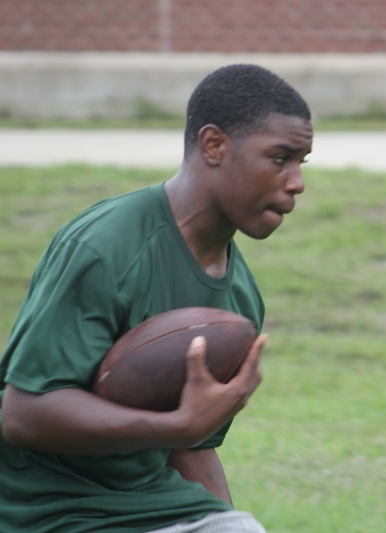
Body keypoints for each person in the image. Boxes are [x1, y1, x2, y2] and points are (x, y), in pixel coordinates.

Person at [0, 64, 313, 533]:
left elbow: (191, 448)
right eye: (280, 158)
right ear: (214, 145)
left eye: (302, 162)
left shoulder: (239, 302)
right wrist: (177, 427)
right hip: (41, 511)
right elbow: (24, 415)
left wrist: (226, 517)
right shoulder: (105, 247)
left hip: (149, 503)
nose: (297, 182)